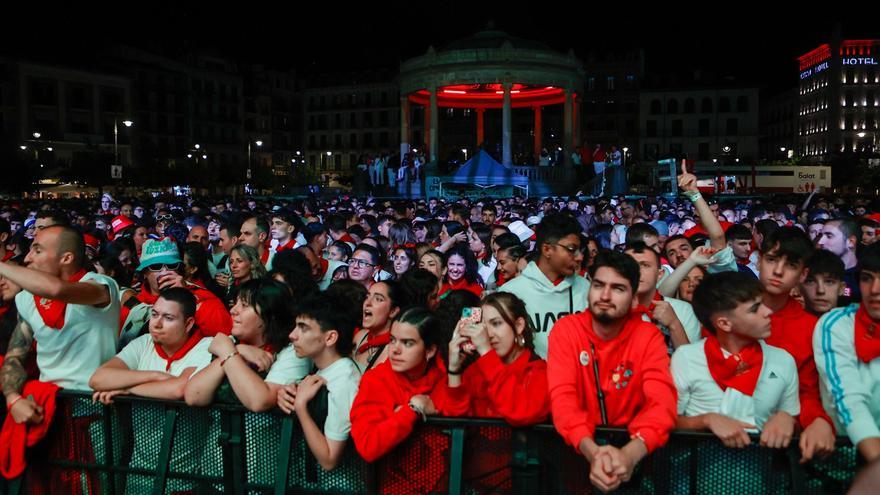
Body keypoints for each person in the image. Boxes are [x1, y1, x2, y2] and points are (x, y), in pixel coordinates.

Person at [547, 251, 676, 493]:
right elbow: (563, 399)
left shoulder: (648, 336)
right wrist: (592, 451)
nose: (605, 295)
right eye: (598, 285)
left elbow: (662, 402)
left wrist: (629, 454)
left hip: (635, 459)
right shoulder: (566, 330)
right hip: (576, 456)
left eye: (618, 288)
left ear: (635, 299)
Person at [672, 272, 799, 491]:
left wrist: (788, 420)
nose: (768, 312)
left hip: (760, 481)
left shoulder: (782, 360)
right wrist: (706, 421)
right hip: (694, 481)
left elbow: (794, 422)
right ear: (724, 323)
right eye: (754, 308)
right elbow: (666, 421)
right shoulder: (687, 358)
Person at [350, 308, 453, 494]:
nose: (395, 349)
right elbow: (368, 445)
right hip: (390, 488)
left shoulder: (444, 377)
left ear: (430, 350)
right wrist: (412, 410)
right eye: (392, 340)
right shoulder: (376, 380)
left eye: (407, 343)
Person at [759, 228, 836, 462]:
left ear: (803, 275)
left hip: (784, 446)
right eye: (771, 260)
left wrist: (819, 420)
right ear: (759, 260)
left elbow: (809, 390)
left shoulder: (813, 328)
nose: (778, 271)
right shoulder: (728, 311)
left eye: (791, 265)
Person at [184, 279, 310, 412]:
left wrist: (229, 353)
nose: (233, 310)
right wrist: (237, 350)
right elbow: (193, 396)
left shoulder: (293, 351)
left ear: (269, 314)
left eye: (244, 305)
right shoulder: (231, 342)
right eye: (235, 303)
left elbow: (259, 401)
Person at [277, 293, 360, 471]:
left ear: (330, 338)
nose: (292, 335)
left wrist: (300, 406)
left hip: (339, 487)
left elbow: (329, 460)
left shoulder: (345, 378)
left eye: (303, 328)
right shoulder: (325, 369)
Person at [814, 241, 880, 463]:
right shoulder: (837, 324)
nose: (875, 290)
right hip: (844, 466)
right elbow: (847, 399)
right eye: (867, 278)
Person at [499, 214, 589, 358]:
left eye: (579, 250)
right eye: (571, 249)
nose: (579, 257)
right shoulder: (510, 293)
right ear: (547, 249)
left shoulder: (587, 289)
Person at [351, 281, 404, 372]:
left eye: (378, 299)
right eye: (367, 297)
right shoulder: (360, 336)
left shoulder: (393, 352)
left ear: (393, 311)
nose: (368, 303)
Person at [799, 249, 845, 317]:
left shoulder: (852, 326)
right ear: (799, 287)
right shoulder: (786, 325)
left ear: (841, 288)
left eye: (829, 282)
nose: (820, 290)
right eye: (810, 281)